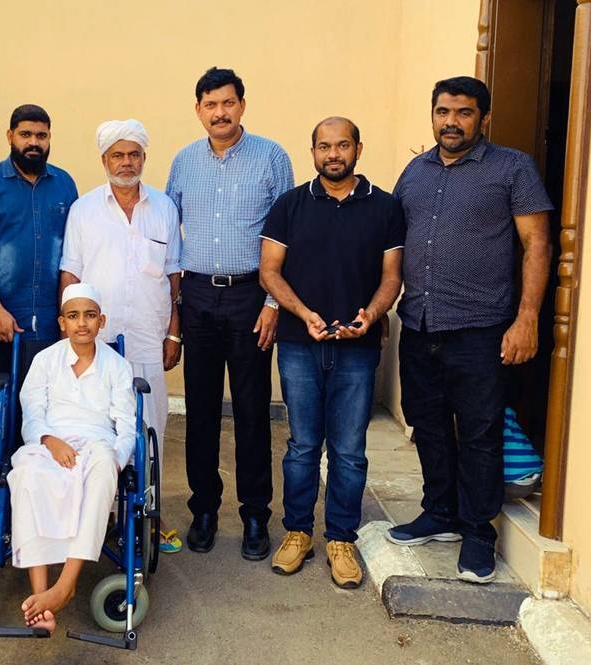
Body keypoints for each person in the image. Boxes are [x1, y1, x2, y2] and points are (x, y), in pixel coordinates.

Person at [387, 76, 553, 584]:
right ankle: (439, 513)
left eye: (462, 112)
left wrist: (526, 319)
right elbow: (392, 246)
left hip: (481, 328)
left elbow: (539, 245)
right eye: (442, 112)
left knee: (480, 433)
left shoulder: (512, 168)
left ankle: (478, 534)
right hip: (419, 323)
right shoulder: (414, 172)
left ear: (484, 118)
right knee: (428, 424)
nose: (451, 122)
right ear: (432, 115)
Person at [259, 117, 404, 588]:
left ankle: (341, 538)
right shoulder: (290, 206)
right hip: (300, 345)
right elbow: (270, 273)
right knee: (302, 446)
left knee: (349, 451)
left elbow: (391, 277)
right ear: (313, 151)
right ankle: (298, 532)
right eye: (324, 146)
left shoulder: (384, 207)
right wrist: (303, 314)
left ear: (359, 148)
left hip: (358, 349)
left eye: (343, 145)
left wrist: (372, 314)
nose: (333, 154)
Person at [166, 67, 294, 559]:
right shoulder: (183, 162)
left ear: (242, 105)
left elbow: (288, 235)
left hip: (249, 297)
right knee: (199, 411)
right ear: (198, 109)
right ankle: (203, 509)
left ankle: (256, 516)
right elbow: (167, 231)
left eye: (228, 103)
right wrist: (175, 311)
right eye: (209, 104)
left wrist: (271, 303)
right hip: (197, 297)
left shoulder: (271, 157)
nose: (219, 112)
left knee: (251, 411)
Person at [59, 118, 183, 553]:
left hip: (149, 338)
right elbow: (71, 273)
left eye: (133, 154)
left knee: (150, 428)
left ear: (144, 158)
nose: (126, 163)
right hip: (98, 342)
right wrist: (72, 337)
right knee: (99, 430)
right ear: (104, 160)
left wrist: (174, 335)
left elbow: (174, 278)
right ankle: (100, 518)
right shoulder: (85, 210)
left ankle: (151, 515)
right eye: (118, 155)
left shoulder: (164, 208)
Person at [8, 283, 135, 635]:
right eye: (74, 316)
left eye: (90, 316)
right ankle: (41, 598)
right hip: (50, 441)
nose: (83, 323)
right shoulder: (45, 361)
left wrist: (115, 460)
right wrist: (50, 441)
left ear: (102, 321)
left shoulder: (117, 366)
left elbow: (126, 428)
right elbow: (31, 415)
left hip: (98, 443)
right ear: (62, 322)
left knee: (102, 467)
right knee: (27, 473)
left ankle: (65, 584)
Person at [0, 104, 78, 409]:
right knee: (3, 406)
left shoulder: (65, 185)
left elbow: (74, 253)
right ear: (10, 136)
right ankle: (2, 459)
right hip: (3, 321)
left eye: (41, 135)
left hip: (52, 323)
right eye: (26, 134)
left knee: (50, 406)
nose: (34, 142)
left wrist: (69, 314)